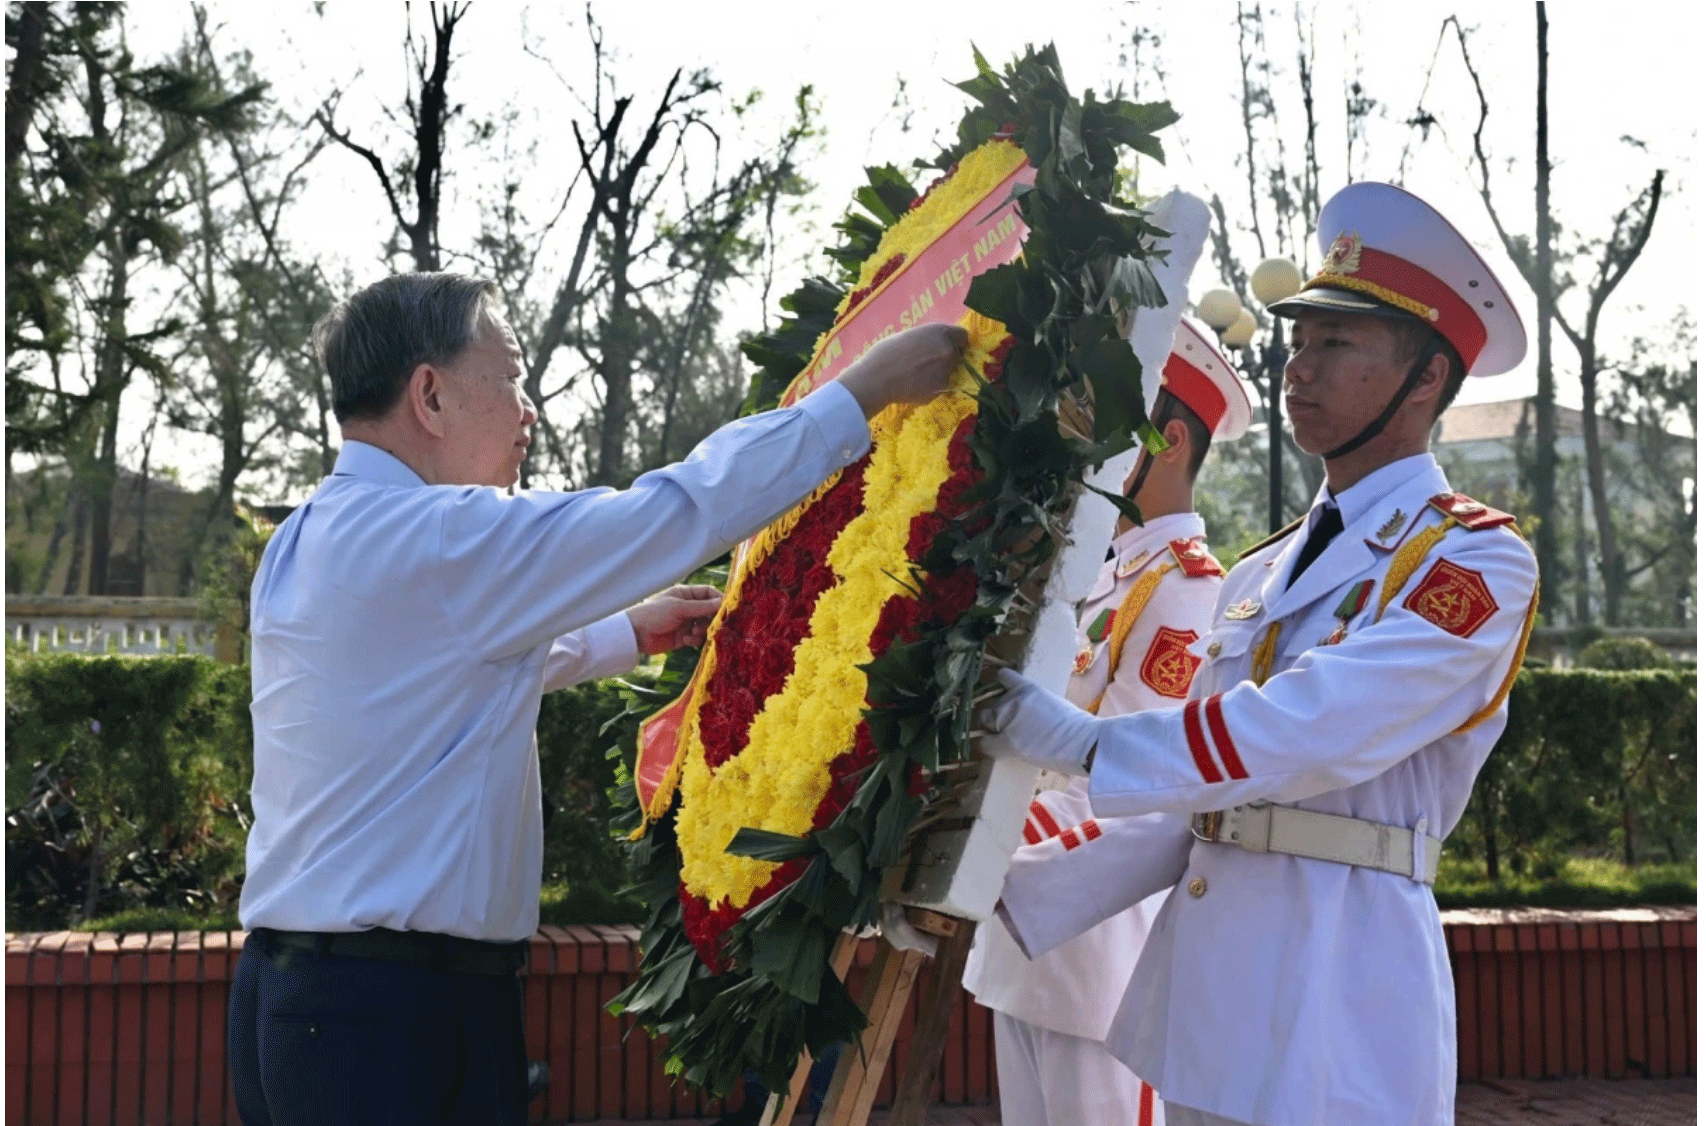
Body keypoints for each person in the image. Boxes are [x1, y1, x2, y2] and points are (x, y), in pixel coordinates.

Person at [224, 271, 966, 1126]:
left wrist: (627, 634)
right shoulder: (438, 534)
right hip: (391, 1016)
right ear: (429, 395)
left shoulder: (313, 536)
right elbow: (674, 510)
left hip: (302, 999)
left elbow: (428, 676)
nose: (528, 410)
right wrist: (860, 393)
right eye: (511, 378)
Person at [979, 182, 1539, 1126]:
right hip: (1208, 1000)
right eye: (1298, 341)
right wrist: (998, 880)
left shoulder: (1474, 560)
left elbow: (1314, 728)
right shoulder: (1260, 571)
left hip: (1340, 987)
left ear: (1426, 378)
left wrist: (1083, 743)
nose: (1299, 369)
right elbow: (1199, 798)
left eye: (1336, 344)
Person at [962, 319, 1252, 1126]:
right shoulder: (1096, 576)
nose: (1085, 442)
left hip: (1096, 944)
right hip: (1023, 939)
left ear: (1170, 441)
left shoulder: (1188, 591)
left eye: (1113, 421)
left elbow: (1135, 778)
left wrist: (986, 839)